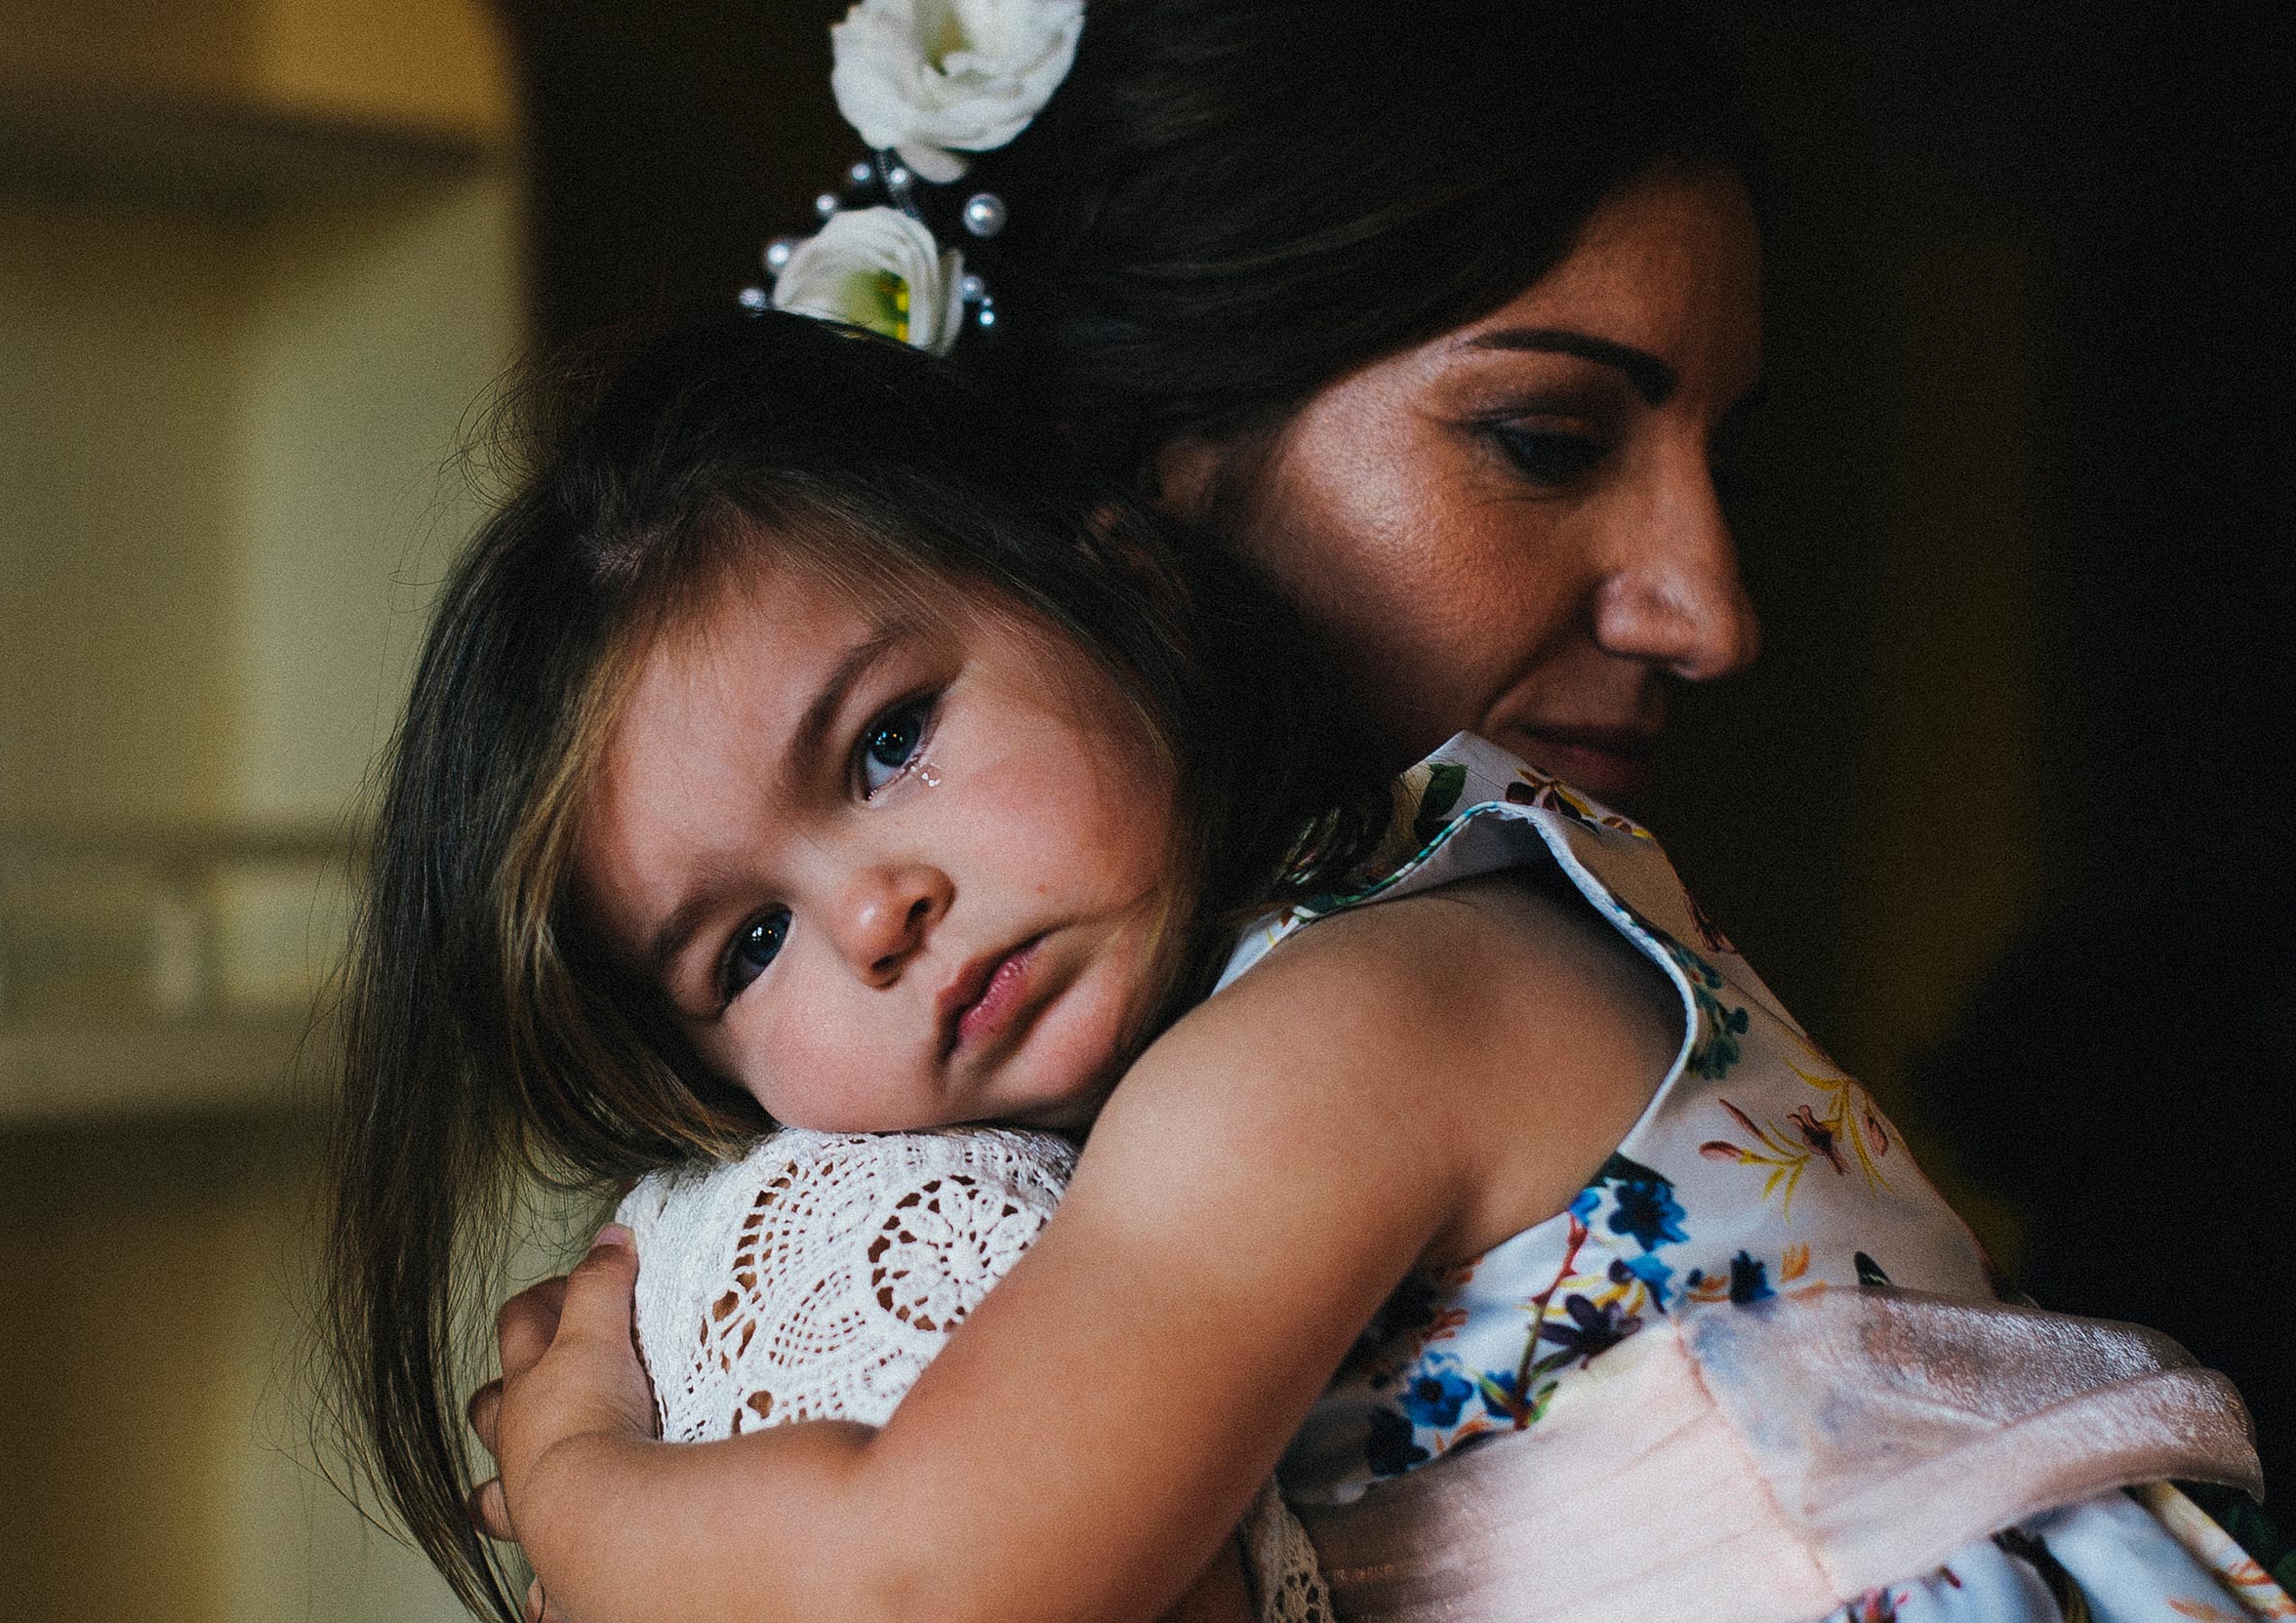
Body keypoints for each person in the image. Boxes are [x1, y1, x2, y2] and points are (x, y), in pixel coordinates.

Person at [325, 307, 2273, 1623]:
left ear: (1115, 586)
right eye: (745, 941)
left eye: (888, 739)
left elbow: (933, 1582)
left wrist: (575, 1478)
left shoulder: (1346, 1024)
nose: (873, 914)